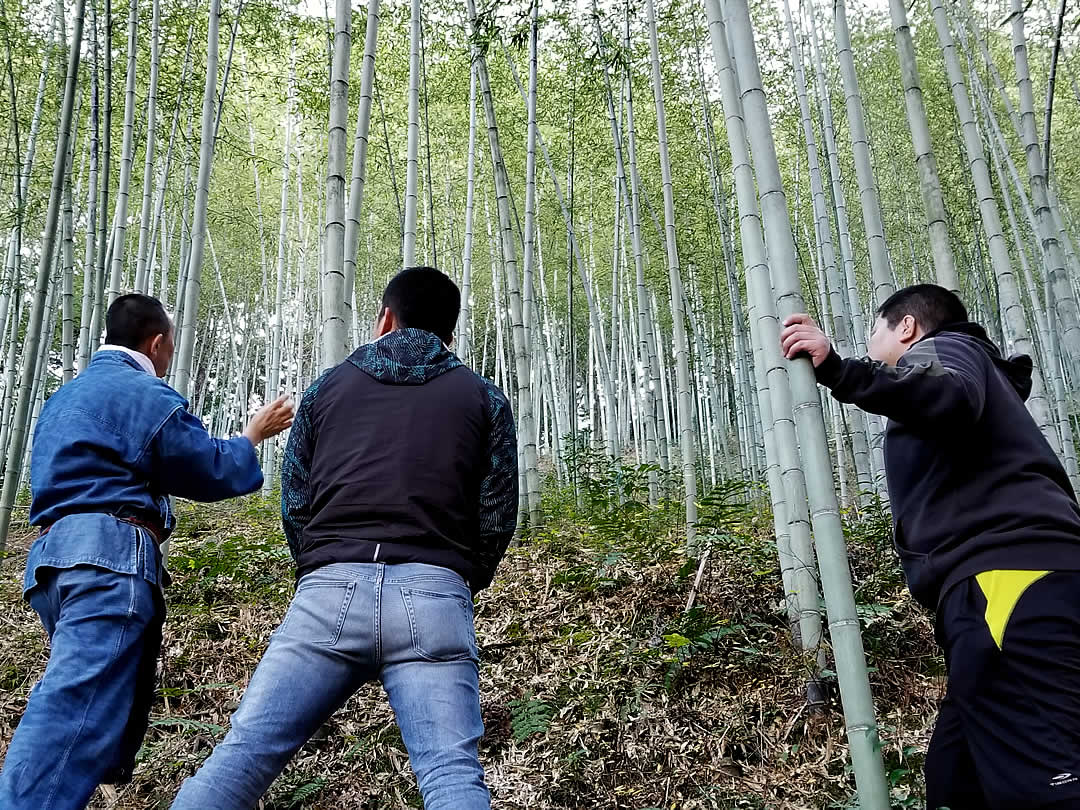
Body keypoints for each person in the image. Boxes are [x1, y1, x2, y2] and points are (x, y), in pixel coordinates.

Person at [171, 266, 519, 810]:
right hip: (433, 595)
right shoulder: (483, 398)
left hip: (329, 589)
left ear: (384, 318)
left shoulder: (326, 389)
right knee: (451, 776)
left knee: (244, 755)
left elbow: (296, 502)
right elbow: (497, 515)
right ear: (451, 333)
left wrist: (317, 564)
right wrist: (456, 578)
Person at [780, 283, 1080, 809]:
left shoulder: (946, 351)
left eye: (874, 331)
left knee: (1049, 785)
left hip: (1008, 582)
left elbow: (948, 394)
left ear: (907, 328)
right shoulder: (981, 380)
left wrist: (839, 369)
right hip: (1010, 590)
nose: (871, 343)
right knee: (955, 781)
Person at [0, 293, 294, 810]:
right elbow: (209, 468)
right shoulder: (144, 395)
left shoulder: (61, 400)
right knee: (71, 717)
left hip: (52, 565)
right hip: (106, 563)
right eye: (171, 347)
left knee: (92, 715)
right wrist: (252, 435)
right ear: (157, 344)